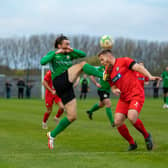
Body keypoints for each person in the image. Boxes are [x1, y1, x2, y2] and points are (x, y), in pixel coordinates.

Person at [40, 35, 103, 149]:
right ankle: (103, 75)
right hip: (59, 81)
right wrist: (55, 53)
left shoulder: (69, 54)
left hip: (67, 86)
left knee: (72, 116)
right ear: (59, 45)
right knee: (83, 65)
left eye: (69, 44)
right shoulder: (53, 54)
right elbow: (42, 62)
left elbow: (83, 54)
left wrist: (72, 50)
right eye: (66, 44)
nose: (68, 46)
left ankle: (52, 135)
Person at [98, 49, 161, 151]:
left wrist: (149, 76)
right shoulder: (107, 72)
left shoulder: (124, 61)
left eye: (102, 59)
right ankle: (132, 143)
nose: (101, 62)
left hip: (136, 94)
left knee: (132, 117)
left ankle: (146, 136)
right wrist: (115, 90)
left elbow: (138, 67)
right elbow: (112, 86)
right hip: (123, 98)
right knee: (117, 121)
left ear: (109, 56)